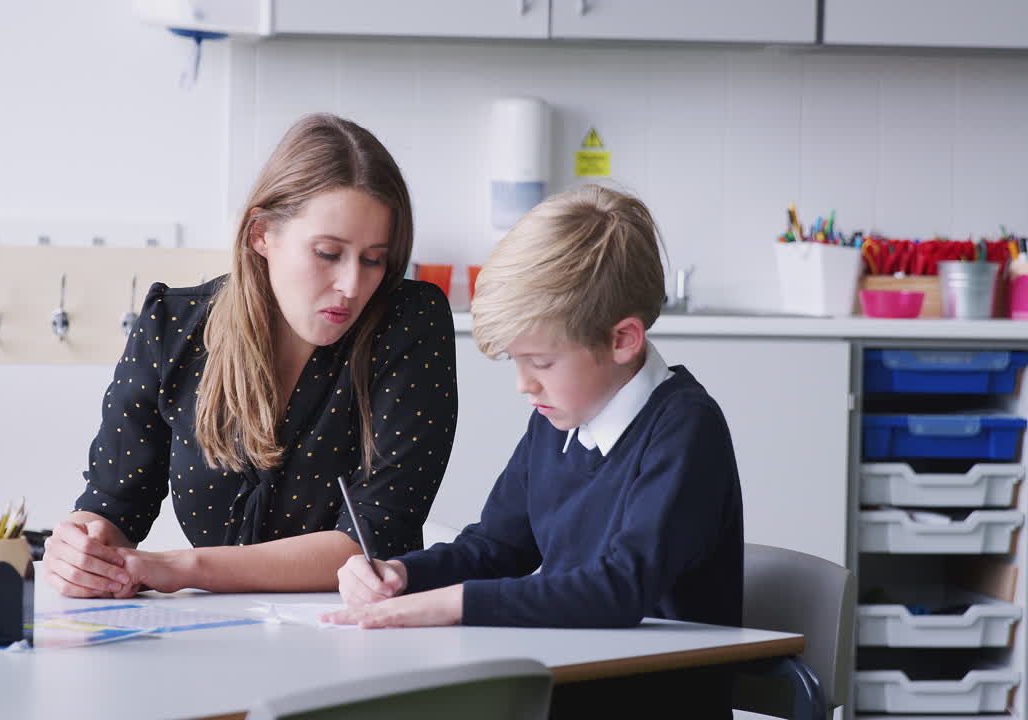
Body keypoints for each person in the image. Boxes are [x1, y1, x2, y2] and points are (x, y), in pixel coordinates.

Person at [325, 184, 743, 717]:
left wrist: (454, 605)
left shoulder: (685, 427)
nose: (525, 385)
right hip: (571, 680)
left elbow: (618, 589)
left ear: (623, 340)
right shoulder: (558, 419)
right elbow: (497, 547)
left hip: (651, 698)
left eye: (541, 363)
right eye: (515, 363)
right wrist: (404, 575)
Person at [43, 114, 458, 599]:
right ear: (261, 234)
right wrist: (79, 549)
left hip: (357, 633)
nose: (351, 286)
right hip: (216, 639)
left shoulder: (409, 324)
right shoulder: (171, 328)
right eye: (327, 253)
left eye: (373, 259)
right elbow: (113, 508)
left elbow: (373, 539)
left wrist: (181, 567)